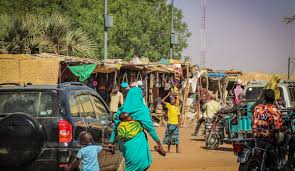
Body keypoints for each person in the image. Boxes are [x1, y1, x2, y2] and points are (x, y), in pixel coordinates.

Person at [108, 87, 165, 171]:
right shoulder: (142, 110)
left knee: (129, 164)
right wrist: (159, 143)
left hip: (124, 145)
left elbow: (115, 128)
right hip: (137, 144)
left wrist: (111, 141)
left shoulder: (121, 110)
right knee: (140, 165)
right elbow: (150, 129)